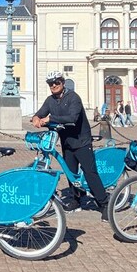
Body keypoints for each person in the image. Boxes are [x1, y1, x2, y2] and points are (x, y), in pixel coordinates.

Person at [31, 70, 109, 220]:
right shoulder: (50, 100)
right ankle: (77, 200)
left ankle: (104, 203)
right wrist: (36, 117)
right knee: (70, 173)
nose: (53, 85)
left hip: (81, 141)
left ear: (63, 82)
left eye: (56, 82)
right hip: (66, 142)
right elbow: (41, 113)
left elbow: (72, 117)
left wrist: (49, 119)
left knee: (89, 172)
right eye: (50, 83)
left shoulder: (73, 98)